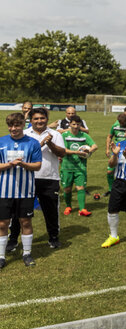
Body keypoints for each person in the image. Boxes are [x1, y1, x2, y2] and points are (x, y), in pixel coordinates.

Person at [17, 108, 66, 249]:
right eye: (36, 119)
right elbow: (22, 155)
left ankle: (53, 237)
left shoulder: (55, 134)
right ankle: (13, 239)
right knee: (19, 211)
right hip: (26, 177)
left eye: (42, 118)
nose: (39, 121)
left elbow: (61, 153)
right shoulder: (24, 134)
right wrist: (41, 144)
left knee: (50, 211)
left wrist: (50, 143)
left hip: (49, 178)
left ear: (46, 119)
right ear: (30, 120)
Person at [0, 112, 42, 269]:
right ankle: (1, 256)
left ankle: (27, 253)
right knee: (3, 224)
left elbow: (37, 165)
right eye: (10, 125)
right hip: (3, 191)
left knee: (25, 221)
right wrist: (10, 165)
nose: (13, 128)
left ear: (23, 125)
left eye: (17, 125)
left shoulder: (33, 143)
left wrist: (23, 165)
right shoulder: (1, 142)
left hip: (26, 191)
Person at [61, 115, 98, 216]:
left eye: (78, 124)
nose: (76, 126)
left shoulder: (84, 136)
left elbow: (95, 146)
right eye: (73, 124)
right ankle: (68, 206)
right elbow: (63, 150)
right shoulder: (65, 135)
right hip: (67, 167)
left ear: (80, 124)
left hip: (80, 167)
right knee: (67, 189)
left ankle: (82, 209)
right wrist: (76, 152)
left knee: (80, 187)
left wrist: (88, 151)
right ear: (69, 124)